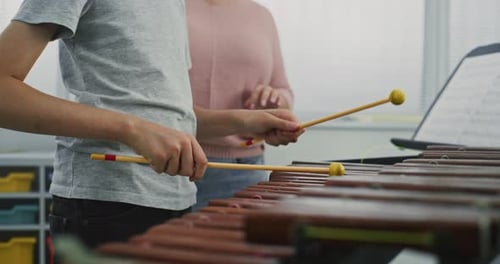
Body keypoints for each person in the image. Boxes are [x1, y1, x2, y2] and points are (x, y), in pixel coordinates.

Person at [0, 0, 301, 250]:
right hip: (105, 203)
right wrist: (133, 129)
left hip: (174, 197)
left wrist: (243, 121)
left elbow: (167, 117)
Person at [187, 0, 294, 210]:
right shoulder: (167, 9)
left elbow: (284, 90)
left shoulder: (261, 16)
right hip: (171, 162)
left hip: (244, 168)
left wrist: (275, 100)